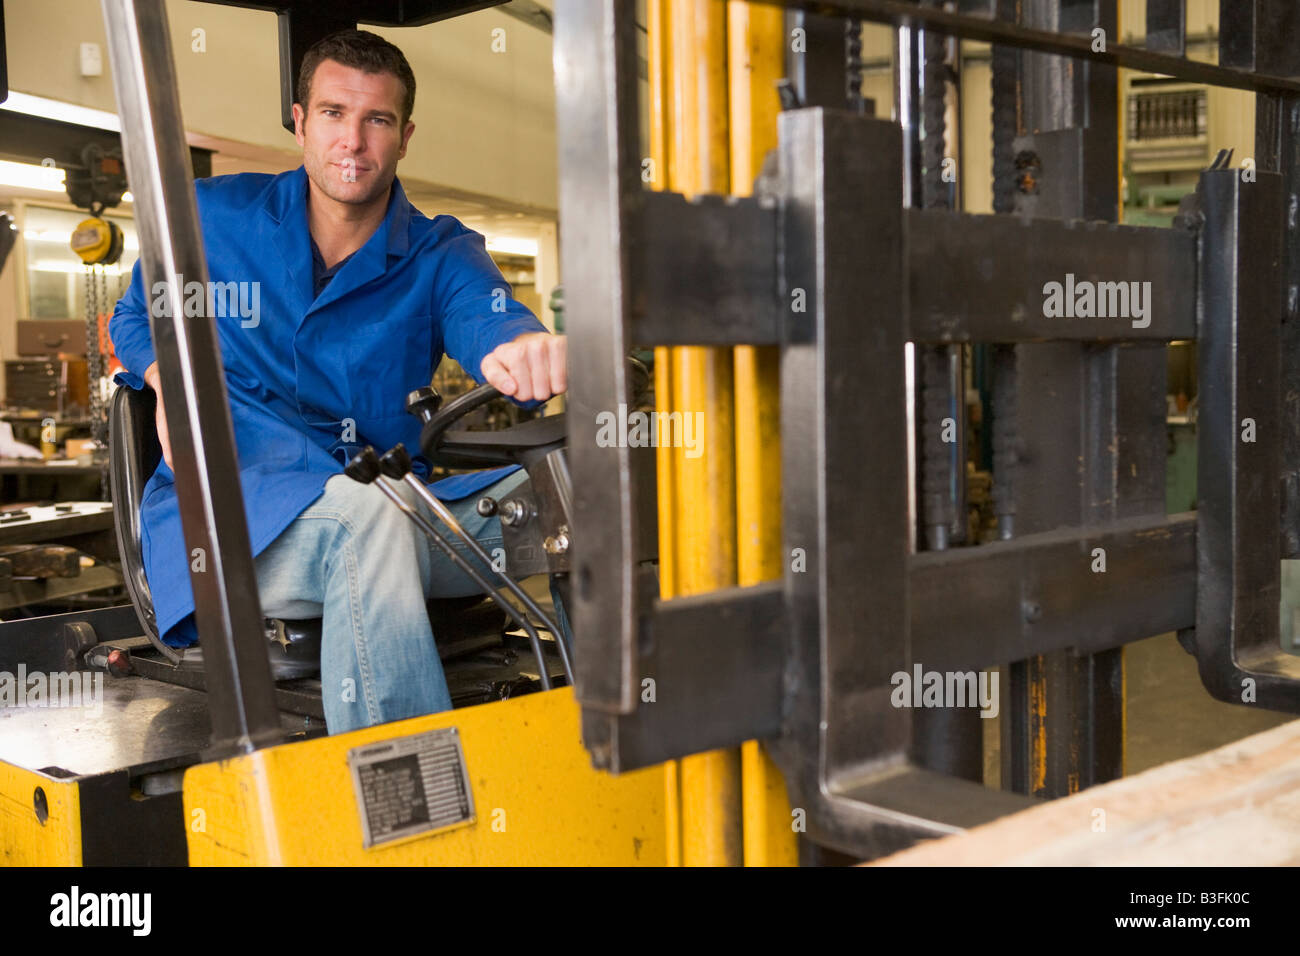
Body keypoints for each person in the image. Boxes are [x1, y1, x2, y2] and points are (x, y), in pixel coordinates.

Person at [109, 29, 566, 734]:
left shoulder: (440, 250)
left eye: (376, 119)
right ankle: (407, 813)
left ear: (404, 135)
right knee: (368, 516)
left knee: (586, 481)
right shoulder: (210, 219)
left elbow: (488, 314)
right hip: (237, 524)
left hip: (399, 511)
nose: (353, 140)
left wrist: (521, 346)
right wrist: (168, 377)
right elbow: (138, 314)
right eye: (332, 114)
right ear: (299, 122)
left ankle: (616, 736)